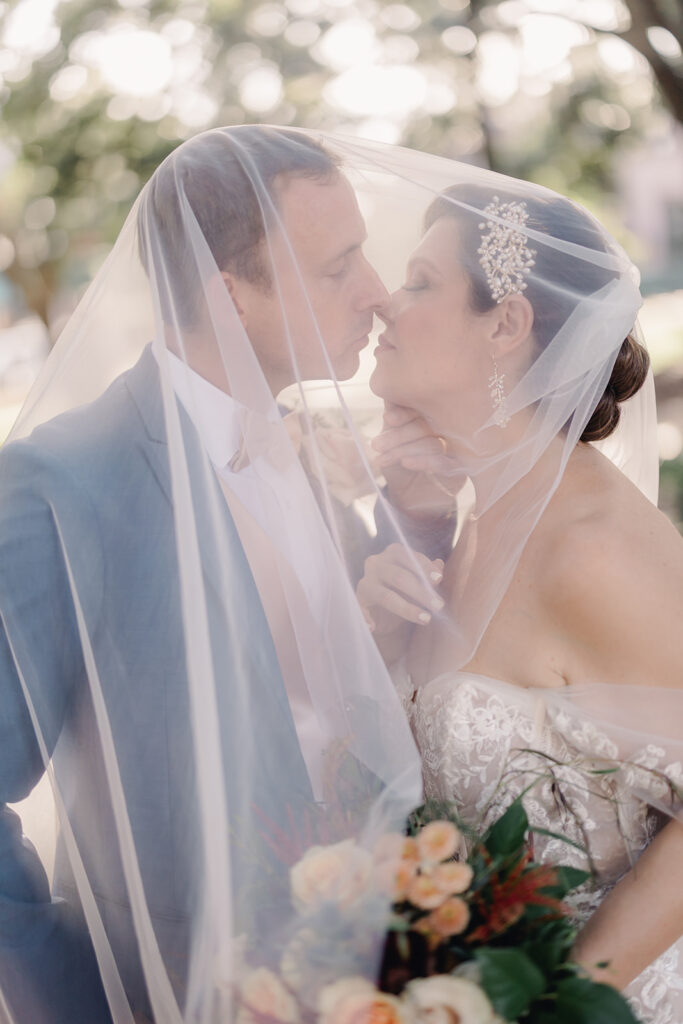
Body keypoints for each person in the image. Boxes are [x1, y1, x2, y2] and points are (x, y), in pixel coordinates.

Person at [0, 126, 435, 1023]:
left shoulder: (310, 458)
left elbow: (333, 710)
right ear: (230, 293)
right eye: (338, 265)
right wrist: (76, 995)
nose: (378, 293)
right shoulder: (64, 482)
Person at [357, 181, 683, 1022]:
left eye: (422, 282)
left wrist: (564, 1000)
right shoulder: (466, 524)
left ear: (504, 324)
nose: (387, 303)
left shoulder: (591, 547)